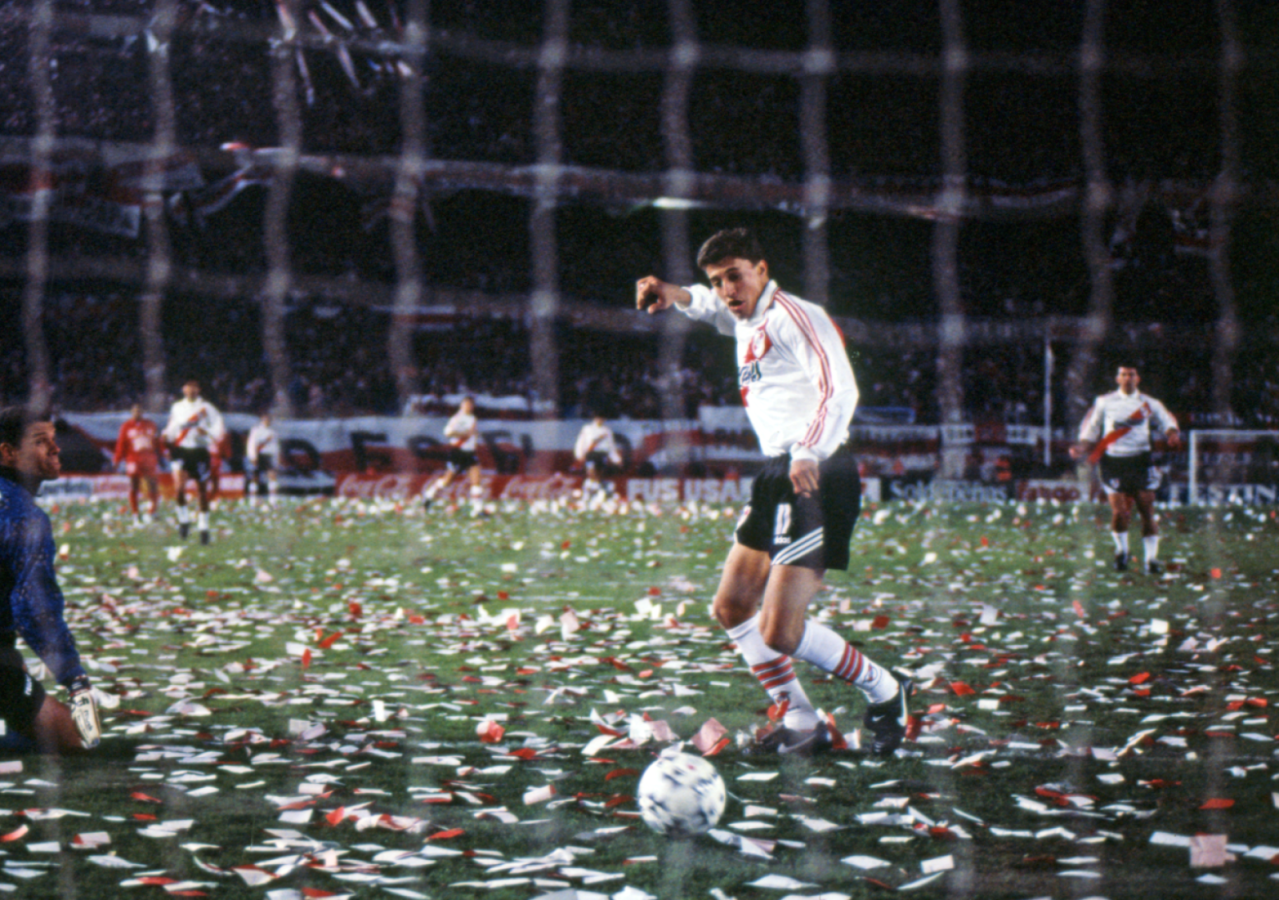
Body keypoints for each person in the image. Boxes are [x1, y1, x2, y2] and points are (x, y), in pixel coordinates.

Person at [636, 228, 911, 757]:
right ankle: (803, 719)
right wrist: (674, 293)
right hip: (775, 474)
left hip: (817, 472)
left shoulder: (793, 315)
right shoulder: (742, 314)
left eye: (735, 276)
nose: (727, 290)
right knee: (731, 606)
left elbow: (841, 388)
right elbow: (710, 309)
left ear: (761, 269)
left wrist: (809, 449)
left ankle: (888, 690)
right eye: (718, 281)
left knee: (781, 631)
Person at [0, 407, 101, 754]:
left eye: (54, 440)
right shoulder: (23, 515)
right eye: (41, 442)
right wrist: (75, 679)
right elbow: (32, 607)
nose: (56, 449)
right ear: (8, 453)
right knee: (72, 738)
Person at [1070, 364, 1181, 574]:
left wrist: (1172, 433)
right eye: (1123, 374)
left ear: (1138, 378)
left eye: (1131, 374)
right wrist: (1081, 447)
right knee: (1120, 513)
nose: (1127, 378)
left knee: (1147, 510)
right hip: (1114, 463)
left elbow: (1167, 420)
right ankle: (1122, 552)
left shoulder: (1149, 403)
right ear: (1117, 378)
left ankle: (1151, 560)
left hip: (1141, 461)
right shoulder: (1104, 402)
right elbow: (1091, 429)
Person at [163, 381, 226, 545]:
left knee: (202, 491)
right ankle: (184, 521)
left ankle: (203, 527)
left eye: (194, 386)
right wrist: (166, 436)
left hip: (200, 452)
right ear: (183, 389)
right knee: (179, 489)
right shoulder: (177, 407)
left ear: (199, 389)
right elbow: (173, 426)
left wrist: (207, 432)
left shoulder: (207, 408)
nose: (190, 390)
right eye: (187, 386)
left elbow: (219, 429)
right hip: (182, 450)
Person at [421, 397, 484, 515]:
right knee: (447, 481)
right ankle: (429, 495)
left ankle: (478, 509)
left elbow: (473, 434)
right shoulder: (457, 418)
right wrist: (464, 434)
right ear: (462, 405)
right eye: (466, 404)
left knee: (476, 480)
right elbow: (448, 432)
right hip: (458, 452)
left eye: (470, 405)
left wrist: (473, 439)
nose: (468, 407)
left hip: (470, 453)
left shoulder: (473, 419)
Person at [113, 404, 164, 524]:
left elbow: (157, 442)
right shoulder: (126, 426)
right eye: (135, 411)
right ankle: (135, 514)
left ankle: (152, 511)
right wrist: (117, 459)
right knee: (134, 486)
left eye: (139, 411)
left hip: (149, 459)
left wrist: (163, 453)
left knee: (153, 485)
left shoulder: (151, 424)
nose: (137, 413)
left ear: (143, 412)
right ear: (131, 412)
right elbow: (121, 444)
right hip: (133, 459)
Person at [573, 413, 622, 505]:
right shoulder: (587, 429)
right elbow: (581, 442)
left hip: (602, 455)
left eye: (602, 418)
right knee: (591, 473)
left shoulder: (606, 431)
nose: (600, 420)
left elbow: (611, 446)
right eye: (598, 418)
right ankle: (587, 496)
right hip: (591, 455)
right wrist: (579, 454)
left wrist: (616, 459)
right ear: (595, 418)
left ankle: (599, 497)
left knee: (598, 477)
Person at [245, 413, 281, 507]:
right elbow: (251, 444)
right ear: (262, 420)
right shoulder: (256, 430)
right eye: (265, 419)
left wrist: (276, 459)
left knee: (272, 476)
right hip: (259, 455)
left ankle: (272, 501)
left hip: (269, 456)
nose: (267, 421)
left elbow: (275, 446)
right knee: (255, 477)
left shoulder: (273, 432)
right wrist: (252, 456)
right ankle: (253, 501)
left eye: (268, 419)